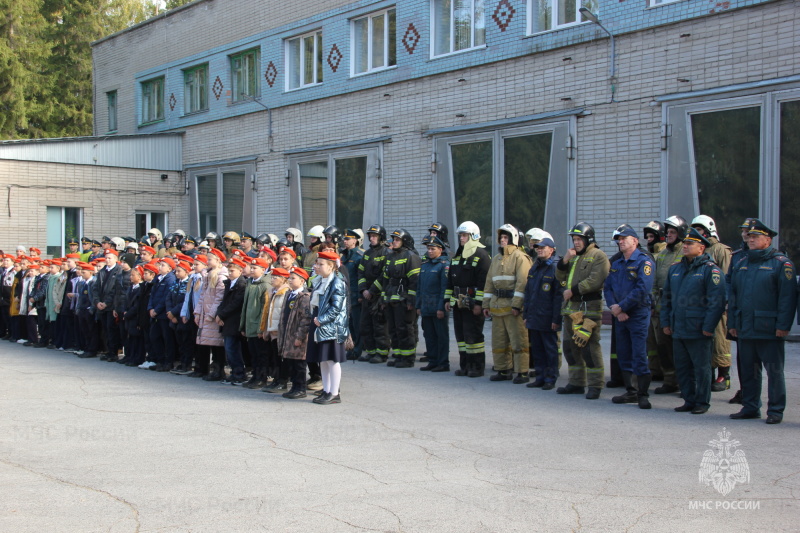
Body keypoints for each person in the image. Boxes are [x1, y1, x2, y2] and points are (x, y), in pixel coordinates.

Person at [728, 219, 795, 425]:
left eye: (755, 237)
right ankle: (750, 406)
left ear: (768, 240)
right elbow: (733, 296)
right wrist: (732, 323)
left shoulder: (781, 264)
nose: (750, 240)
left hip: (768, 329)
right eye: (749, 237)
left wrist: (783, 326)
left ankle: (775, 410)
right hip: (745, 327)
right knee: (748, 371)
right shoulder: (741, 263)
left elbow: (787, 298)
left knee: (774, 372)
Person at [660, 228, 727, 414]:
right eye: (685, 243)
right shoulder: (675, 269)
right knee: (682, 367)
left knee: (702, 368)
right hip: (678, 327)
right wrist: (666, 323)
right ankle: (688, 399)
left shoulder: (710, 271)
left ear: (702, 247)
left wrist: (708, 327)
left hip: (698, 329)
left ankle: (702, 402)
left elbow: (716, 302)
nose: (686, 246)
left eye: (690, 244)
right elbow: (666, 299)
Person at [557, 222, 610, 399]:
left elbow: (595, 280)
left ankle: (595, 385)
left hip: (589, 309)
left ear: (589, 239)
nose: (576, 242)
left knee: (589, 348)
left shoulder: (598, 256)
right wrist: (564, 261)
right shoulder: (573, 256)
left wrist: (573, 290)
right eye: (574, 239)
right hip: (570, 309)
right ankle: (576, 382)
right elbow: (560, 278)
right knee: (570, 348)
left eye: (579, 239)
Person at [604, 227, 656, 409]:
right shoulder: (617, 264)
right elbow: (608, 288)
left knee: (639, 353)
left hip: (637, 314)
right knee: (624, 353)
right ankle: (630, 391)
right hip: (620, 315)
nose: (621, 241)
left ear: (635, 240)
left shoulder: (644, 261)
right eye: (618, 239)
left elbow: (643, 289)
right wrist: (615, 308)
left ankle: (642, 394)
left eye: (624, 238)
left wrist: (622, 307)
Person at [483, 224, 532, 383]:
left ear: (514, 239)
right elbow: (489, 282)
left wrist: (517, 305)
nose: (503, 240)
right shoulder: (496, 259)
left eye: (506, 237)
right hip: (497, 307)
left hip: (512, 308)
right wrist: (486, 304)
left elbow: (522, 283)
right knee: (499, 341)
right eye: (501, 237)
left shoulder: (520, 257)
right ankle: (503, 370)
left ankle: (522, 371)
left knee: (519, 341)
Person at [691, 215, 733, 392]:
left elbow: (726, 278)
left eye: (700, 230)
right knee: (704, 344)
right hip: (700, 306)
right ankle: (707, 377)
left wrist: (723, 303)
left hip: (717, 305)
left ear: (709, 230)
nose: (697, 233)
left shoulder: (721, 250)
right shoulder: (698, 250)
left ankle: (724, 375)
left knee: (720, 342)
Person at [445, 221, 491, 378]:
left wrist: (479, 304)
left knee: (474, 337)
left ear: (474, 236)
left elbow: (484, 284)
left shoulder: (482, 256)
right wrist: (447, 299)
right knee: (461, 337)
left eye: (464, 235)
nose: (461, 238)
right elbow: (450, 280)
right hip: (458, 303)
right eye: (460, 235)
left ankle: (477, 367)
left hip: (472, 304)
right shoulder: (458, 255)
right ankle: (465, 366)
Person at [370, 229, 421, 368]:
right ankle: (398, 355)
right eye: (393, 239)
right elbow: (385, 280)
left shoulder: (411, 256)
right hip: (390, 299)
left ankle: (408, 358)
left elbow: (414, 281)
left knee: (404, 328)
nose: (394, 242)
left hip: (404, 300)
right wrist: (383, 299)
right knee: (393, 329)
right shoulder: (391, 256)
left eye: (397, 239)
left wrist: (411, 300)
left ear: (405, 241)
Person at [649, 215, 688, 394]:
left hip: (680, 307)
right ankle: (670, 380)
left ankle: (684, 383)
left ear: (681, 233)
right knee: (664, 347)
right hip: (662, 308)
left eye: (673, 232)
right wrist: (656, 304)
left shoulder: (686, 252)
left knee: (681, 348)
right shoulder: (663, 254)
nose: (669, 235)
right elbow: (656, 282)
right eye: (668, 232)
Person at [307, 251, 349, 404]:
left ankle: (334, 393)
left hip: (330, 326)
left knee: (332, 360)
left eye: (320, 264)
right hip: (318, 321)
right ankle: (326, 390)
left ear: (331, 267)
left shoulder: (337, 282)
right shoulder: (319, 280)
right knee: (322, 359)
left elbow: (336, 307)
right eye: (316, 263)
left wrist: (322, 319)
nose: (316, 266)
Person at [523, 237, 564, 390]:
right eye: (538, 247)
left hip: (547, 317)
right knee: (537, 350)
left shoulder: (554, 268)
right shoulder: (535, 267)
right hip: (534, 316)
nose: (539, 249)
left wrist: (556, 319)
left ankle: (550, 378)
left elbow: (558, 297)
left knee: (550, 350)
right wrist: (526, 315)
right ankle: (540, 377)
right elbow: (528, 293)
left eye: (543, 247)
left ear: (552, 250)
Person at [358, 225, 391, 364]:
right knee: (365, 324)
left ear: (381, 237)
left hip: (378, 295)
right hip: (367, 295)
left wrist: (371, 291)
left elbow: (384, 275)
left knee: (379, 325)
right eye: (370, 236)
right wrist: (363, 290)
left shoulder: (386, 253)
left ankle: (382, 353)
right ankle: (371, 352)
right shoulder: (367, 254)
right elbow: (360, 272)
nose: (371, 238)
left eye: (374, 236)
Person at [278, 267, 313, 399]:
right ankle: (294, 386)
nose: (290, 280)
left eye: (293, 278)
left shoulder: (304, 297)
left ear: (302, 281)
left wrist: (300, 336)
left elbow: (305, 319)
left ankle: (300, 388)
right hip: (288, 334)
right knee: (290, 362)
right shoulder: (289, 294)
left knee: (299, 364)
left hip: (297, 335)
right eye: (289, 278)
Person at [417, 235, 450, 372]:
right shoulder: (425, 265)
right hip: (426, 307)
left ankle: (443, 363)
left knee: (441, 336)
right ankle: (433, 360)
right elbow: (419, 288)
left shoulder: (444, 266)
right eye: (428, 249)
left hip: (437, 308)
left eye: (432, 249)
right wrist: (418, 305)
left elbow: (444, 289)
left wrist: (441, 308)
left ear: (440, 250)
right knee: (429, 335)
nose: (429, 251)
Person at [195, 248, 228, 380]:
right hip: (205, 314)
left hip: (213, 316)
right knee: (209, 342)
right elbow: (202, 296)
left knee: (217, 344)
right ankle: (209, 369)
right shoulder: (208, 275)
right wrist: (198, 312)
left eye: (210, 259)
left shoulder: (220, 277)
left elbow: (219, 298)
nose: (207, 262)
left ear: (218, 260)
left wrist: (211, 314)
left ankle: (219, 370)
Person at [240, 257, 272, 389]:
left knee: (261, 354)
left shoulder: (265, 285)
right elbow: (245, 307)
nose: (252, 270)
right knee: (253, 353)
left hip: (258, 326)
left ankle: (262, 377)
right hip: (249, 325)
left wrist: (261, 328)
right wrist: (242, 325)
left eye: (255, 268)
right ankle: (255, 375)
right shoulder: (250, 283)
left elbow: (265, 309)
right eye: (251, 267)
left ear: (263, 270)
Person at [216, 258, 247, 384]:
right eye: (229, 270)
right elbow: (224, 302)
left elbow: (235, 304)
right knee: (229, 349)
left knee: (232, 348)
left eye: (232, 271)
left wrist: (222, 315)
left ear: (240, 271)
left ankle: (239, 373)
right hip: (227, 320)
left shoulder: (241, 285)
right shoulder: (230, 283)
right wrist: (219, 314)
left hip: (234, 320)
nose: (229, 273)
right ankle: (235, 372)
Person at [260, 267, 291, 393]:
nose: (272, 279)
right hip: (272, 329)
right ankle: (276, 379)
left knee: (281, 358)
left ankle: (282, 381)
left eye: (275, 277)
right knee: (275, 357)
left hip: (280, 331)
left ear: (283, 279)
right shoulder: (272, 291)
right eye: (272, 277)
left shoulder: (285, 293)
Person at [340, 229, 364, 360]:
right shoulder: (344, 256)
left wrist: (360, 294)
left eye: (348, 239)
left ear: (355, 241)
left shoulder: (359, 256)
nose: (345, 241)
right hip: (345, 294)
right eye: (344, 239)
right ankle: (351, 346)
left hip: (355, 295)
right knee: (349, 323)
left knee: (357, 323)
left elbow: (361, 276)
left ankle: (357, 349)